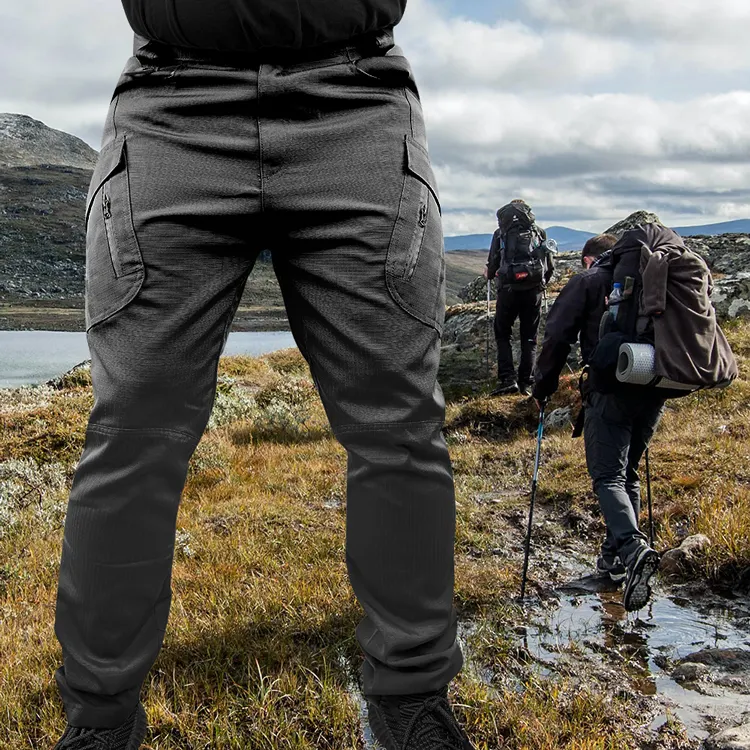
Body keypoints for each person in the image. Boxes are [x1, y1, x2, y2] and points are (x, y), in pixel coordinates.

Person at [51, 3, 474, 749]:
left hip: (359, 96)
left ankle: (412, 699)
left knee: (398, 425)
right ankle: (98, 720)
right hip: (171, 100)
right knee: (132, 433)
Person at [532, 233, 662, 612]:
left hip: (610, 388)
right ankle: (615, 562)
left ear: (590, 259)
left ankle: (632, 549)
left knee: (608, 476)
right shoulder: (655, 275)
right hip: (654, 382)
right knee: (628, 473)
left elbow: (556, 335)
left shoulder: (588, 280)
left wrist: (543, 388)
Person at [484, 200, 555, 396]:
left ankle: (508, 379)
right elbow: (549, 266)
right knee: (529, 337)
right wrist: (542, 285)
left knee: (502, 333)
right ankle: (527, 384)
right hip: (533, 291)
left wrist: (489, 274)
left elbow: (492, 265)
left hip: (508, 291)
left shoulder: (500, 234)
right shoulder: (539, 232)